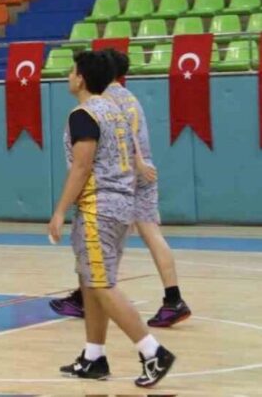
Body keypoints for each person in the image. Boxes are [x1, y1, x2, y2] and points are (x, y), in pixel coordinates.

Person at [49, 51, 175, 388]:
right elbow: (134, 157)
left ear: (82, 78)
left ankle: (153, 352)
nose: (68, 75)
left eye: (72, 70)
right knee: (91, 281)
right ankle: (93, 357)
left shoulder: (84, 114)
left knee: (102, 283)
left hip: (99, 207)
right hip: (120, 203)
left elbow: (81, 167)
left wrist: (60, 210)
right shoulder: (115, 111)